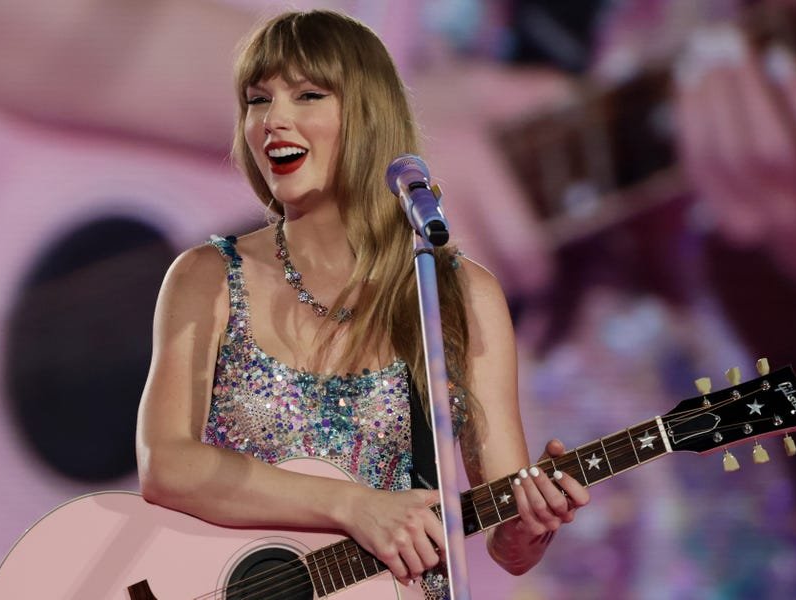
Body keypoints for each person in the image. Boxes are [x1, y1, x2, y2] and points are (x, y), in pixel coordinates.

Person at [134, 9, 589, 596]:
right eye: (258, 100)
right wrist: (354, 506)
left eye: (307, 96)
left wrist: (532, 525)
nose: (274, 120)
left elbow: (507, 542)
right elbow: (167, 464)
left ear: (368, 115)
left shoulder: (458, 295)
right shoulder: (208, 276)